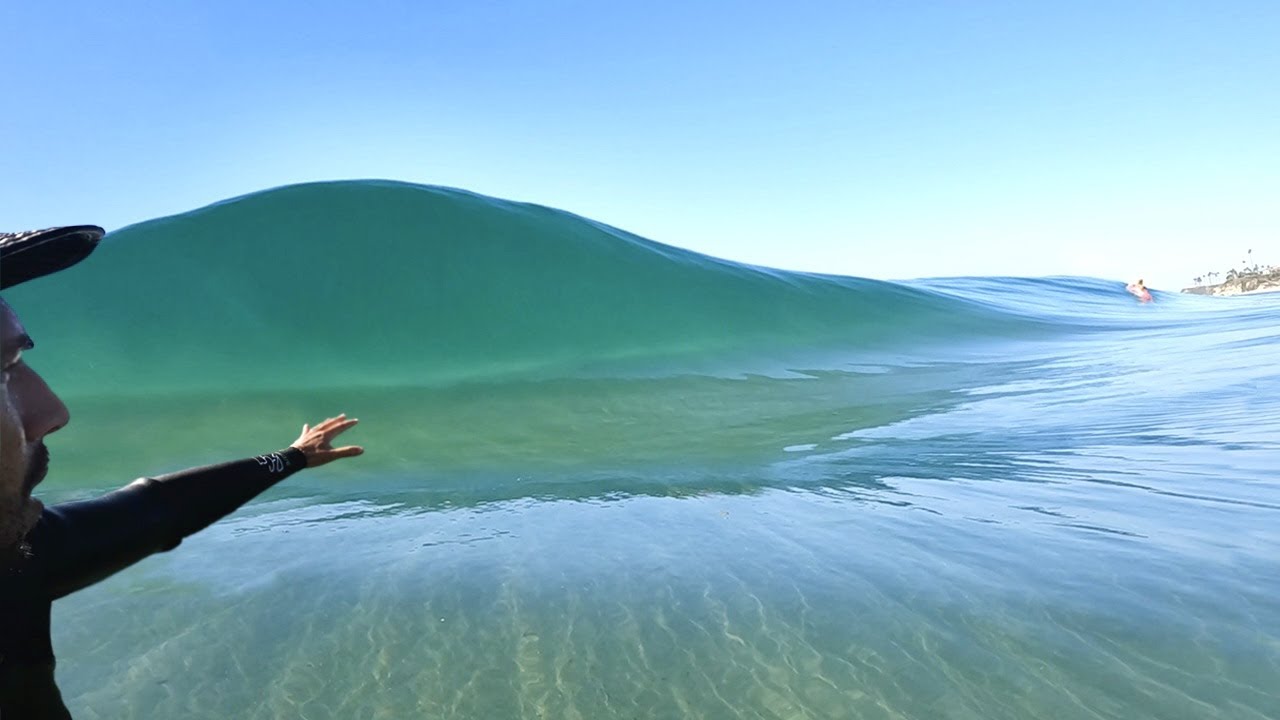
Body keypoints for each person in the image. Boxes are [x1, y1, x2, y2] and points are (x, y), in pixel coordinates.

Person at [1, 226, 364, 718]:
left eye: (16, 361)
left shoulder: (18, 559)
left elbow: (161, 509)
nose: (53, 412)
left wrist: (293, 456)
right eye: (3, 370)